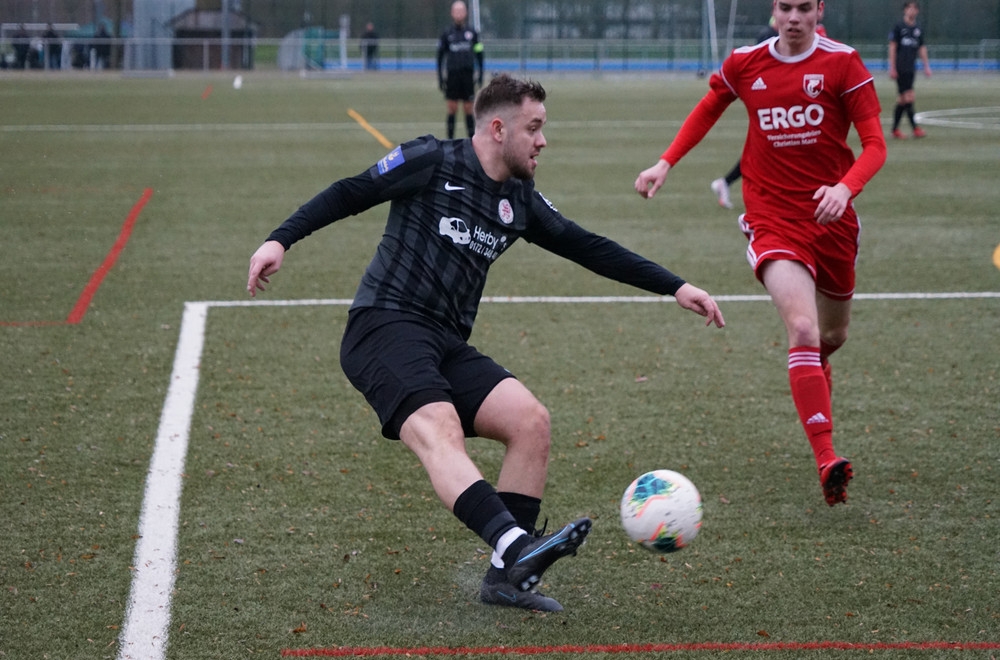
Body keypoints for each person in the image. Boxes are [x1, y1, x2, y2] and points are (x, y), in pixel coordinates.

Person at [247, 74, 725, 611]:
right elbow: (350, 191)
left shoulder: (519, 198)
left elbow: (586, 246)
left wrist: (675, 286)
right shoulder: (430, 159)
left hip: (445, 342)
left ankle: (505, 579)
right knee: (440, 428)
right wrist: (279, 239)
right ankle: (516, 547)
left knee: (530, 422)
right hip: (384, 327)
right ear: (498, 129)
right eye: (534, 128)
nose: (543, 141)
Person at [635, 0, 886, 507]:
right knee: (803, 329)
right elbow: (709, 107)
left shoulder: (843, 63)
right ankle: (826, 458)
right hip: (772, 217)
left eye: (803, 8)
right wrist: (666, 162)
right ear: (774, 10)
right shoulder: (746, 63)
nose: (793, 17)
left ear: (819, 10)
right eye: (784, 7)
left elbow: (875, 145)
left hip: (832, 220)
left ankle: (812, 372)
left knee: (831, 336)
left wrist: (845, 188)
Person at [710, 18, 826, 210]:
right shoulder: (769, 38)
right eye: (786, 9)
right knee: (766, 151)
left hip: (789, 105)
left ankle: (726, 183)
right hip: (776, 105)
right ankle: (729, 183)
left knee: (766, 151)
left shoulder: (814, 38)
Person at [436, 1, 484, 138]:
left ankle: (472, 142)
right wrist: (440, 77)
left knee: (469, 108)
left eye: (461, 11)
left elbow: (479, 54)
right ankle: (449, 142)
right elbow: (440, 57)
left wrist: (480, 74)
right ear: (452, 13)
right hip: (453, 76)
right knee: (452, 108)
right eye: (456, 11)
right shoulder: (447, 34)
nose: (459, 14)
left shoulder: (472, 33)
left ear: (466, 13)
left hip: (467, 76)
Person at [888, 1, 932, 139]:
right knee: (909, 97)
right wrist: (892, 67)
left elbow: (922, 48)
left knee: (902, 100)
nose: (911, 11)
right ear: (905, 10)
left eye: (914, 8)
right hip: (900, 68)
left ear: (917, 11)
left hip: (911, 69)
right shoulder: (899, 27)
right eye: (909, 8)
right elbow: (892, 47)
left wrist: (926, 66)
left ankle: (894, 130)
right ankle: (915, 129)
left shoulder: (918, 29)